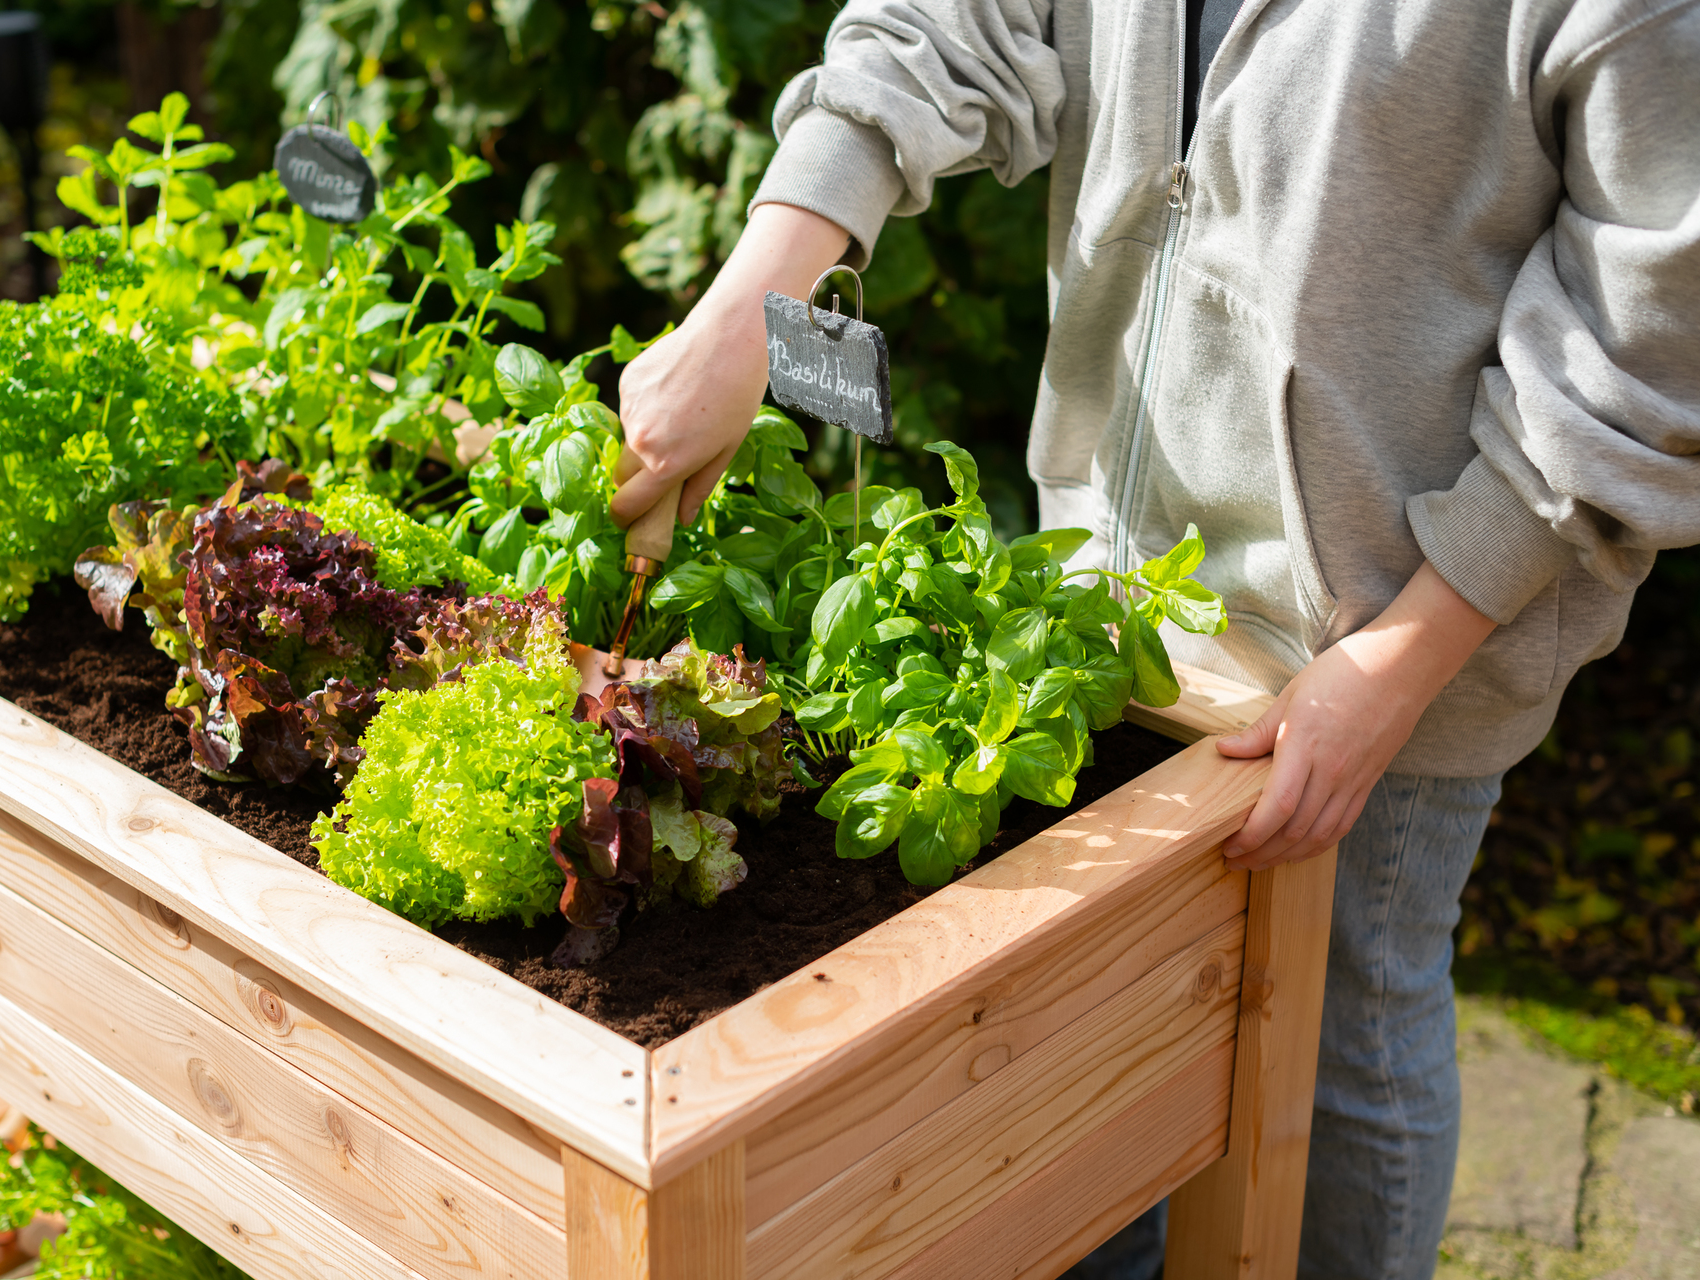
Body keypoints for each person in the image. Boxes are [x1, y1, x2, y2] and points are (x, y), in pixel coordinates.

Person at [609, 0, 1700, 1276]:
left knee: (1348, 1014)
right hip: (1106, 592)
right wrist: (750, 309)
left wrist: (1406, 653)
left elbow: (1656, 322)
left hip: (1391, 612)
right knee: (1103, 1017)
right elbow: (945, 25)